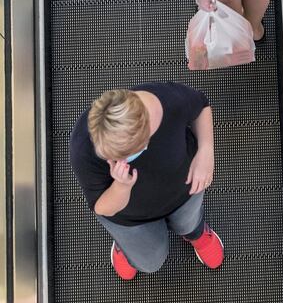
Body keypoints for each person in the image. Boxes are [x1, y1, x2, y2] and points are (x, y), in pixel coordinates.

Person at [70, 83, 222, 280]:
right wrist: (122, 186)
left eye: (122, 155)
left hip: (185, 191)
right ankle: (126, 247)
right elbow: (102, 207)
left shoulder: (169, 101)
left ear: (146, 138)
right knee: (150, 262)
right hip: (132, 217)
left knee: (189, 222)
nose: (115, 162)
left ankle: (195, 234)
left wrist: (206, 151)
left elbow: (200, 105)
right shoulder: (83, 149)